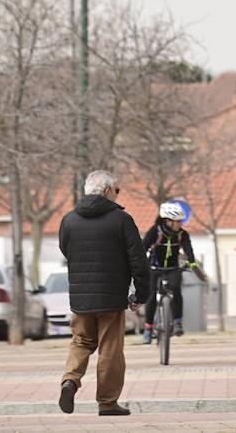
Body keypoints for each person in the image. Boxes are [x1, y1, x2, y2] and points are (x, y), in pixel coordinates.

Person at [57, 170, 150, 417]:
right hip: (111, 296)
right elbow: (138, 259)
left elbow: (66, 251)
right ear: (108, 191)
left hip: (81, 297)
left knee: (81, 341)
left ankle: (70, 380)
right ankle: (107, 403)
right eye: (117, 190)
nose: (118, 195)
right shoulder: (121, 220)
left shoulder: (69, 220)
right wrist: (141, 293)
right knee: (110, 349)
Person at [141, 201, 198, 343]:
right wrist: (140, 263)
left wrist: (191, 262)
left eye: (181, 221)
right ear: (168, 221)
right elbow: (143, 246)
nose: (180, 224)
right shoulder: (155, 231)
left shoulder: (182, 234)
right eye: (177, 222)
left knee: (176, 289)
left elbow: (188, 249)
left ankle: (177, 322)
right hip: (154, 268)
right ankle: (148, 328)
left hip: (173, 268)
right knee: (151, 295)